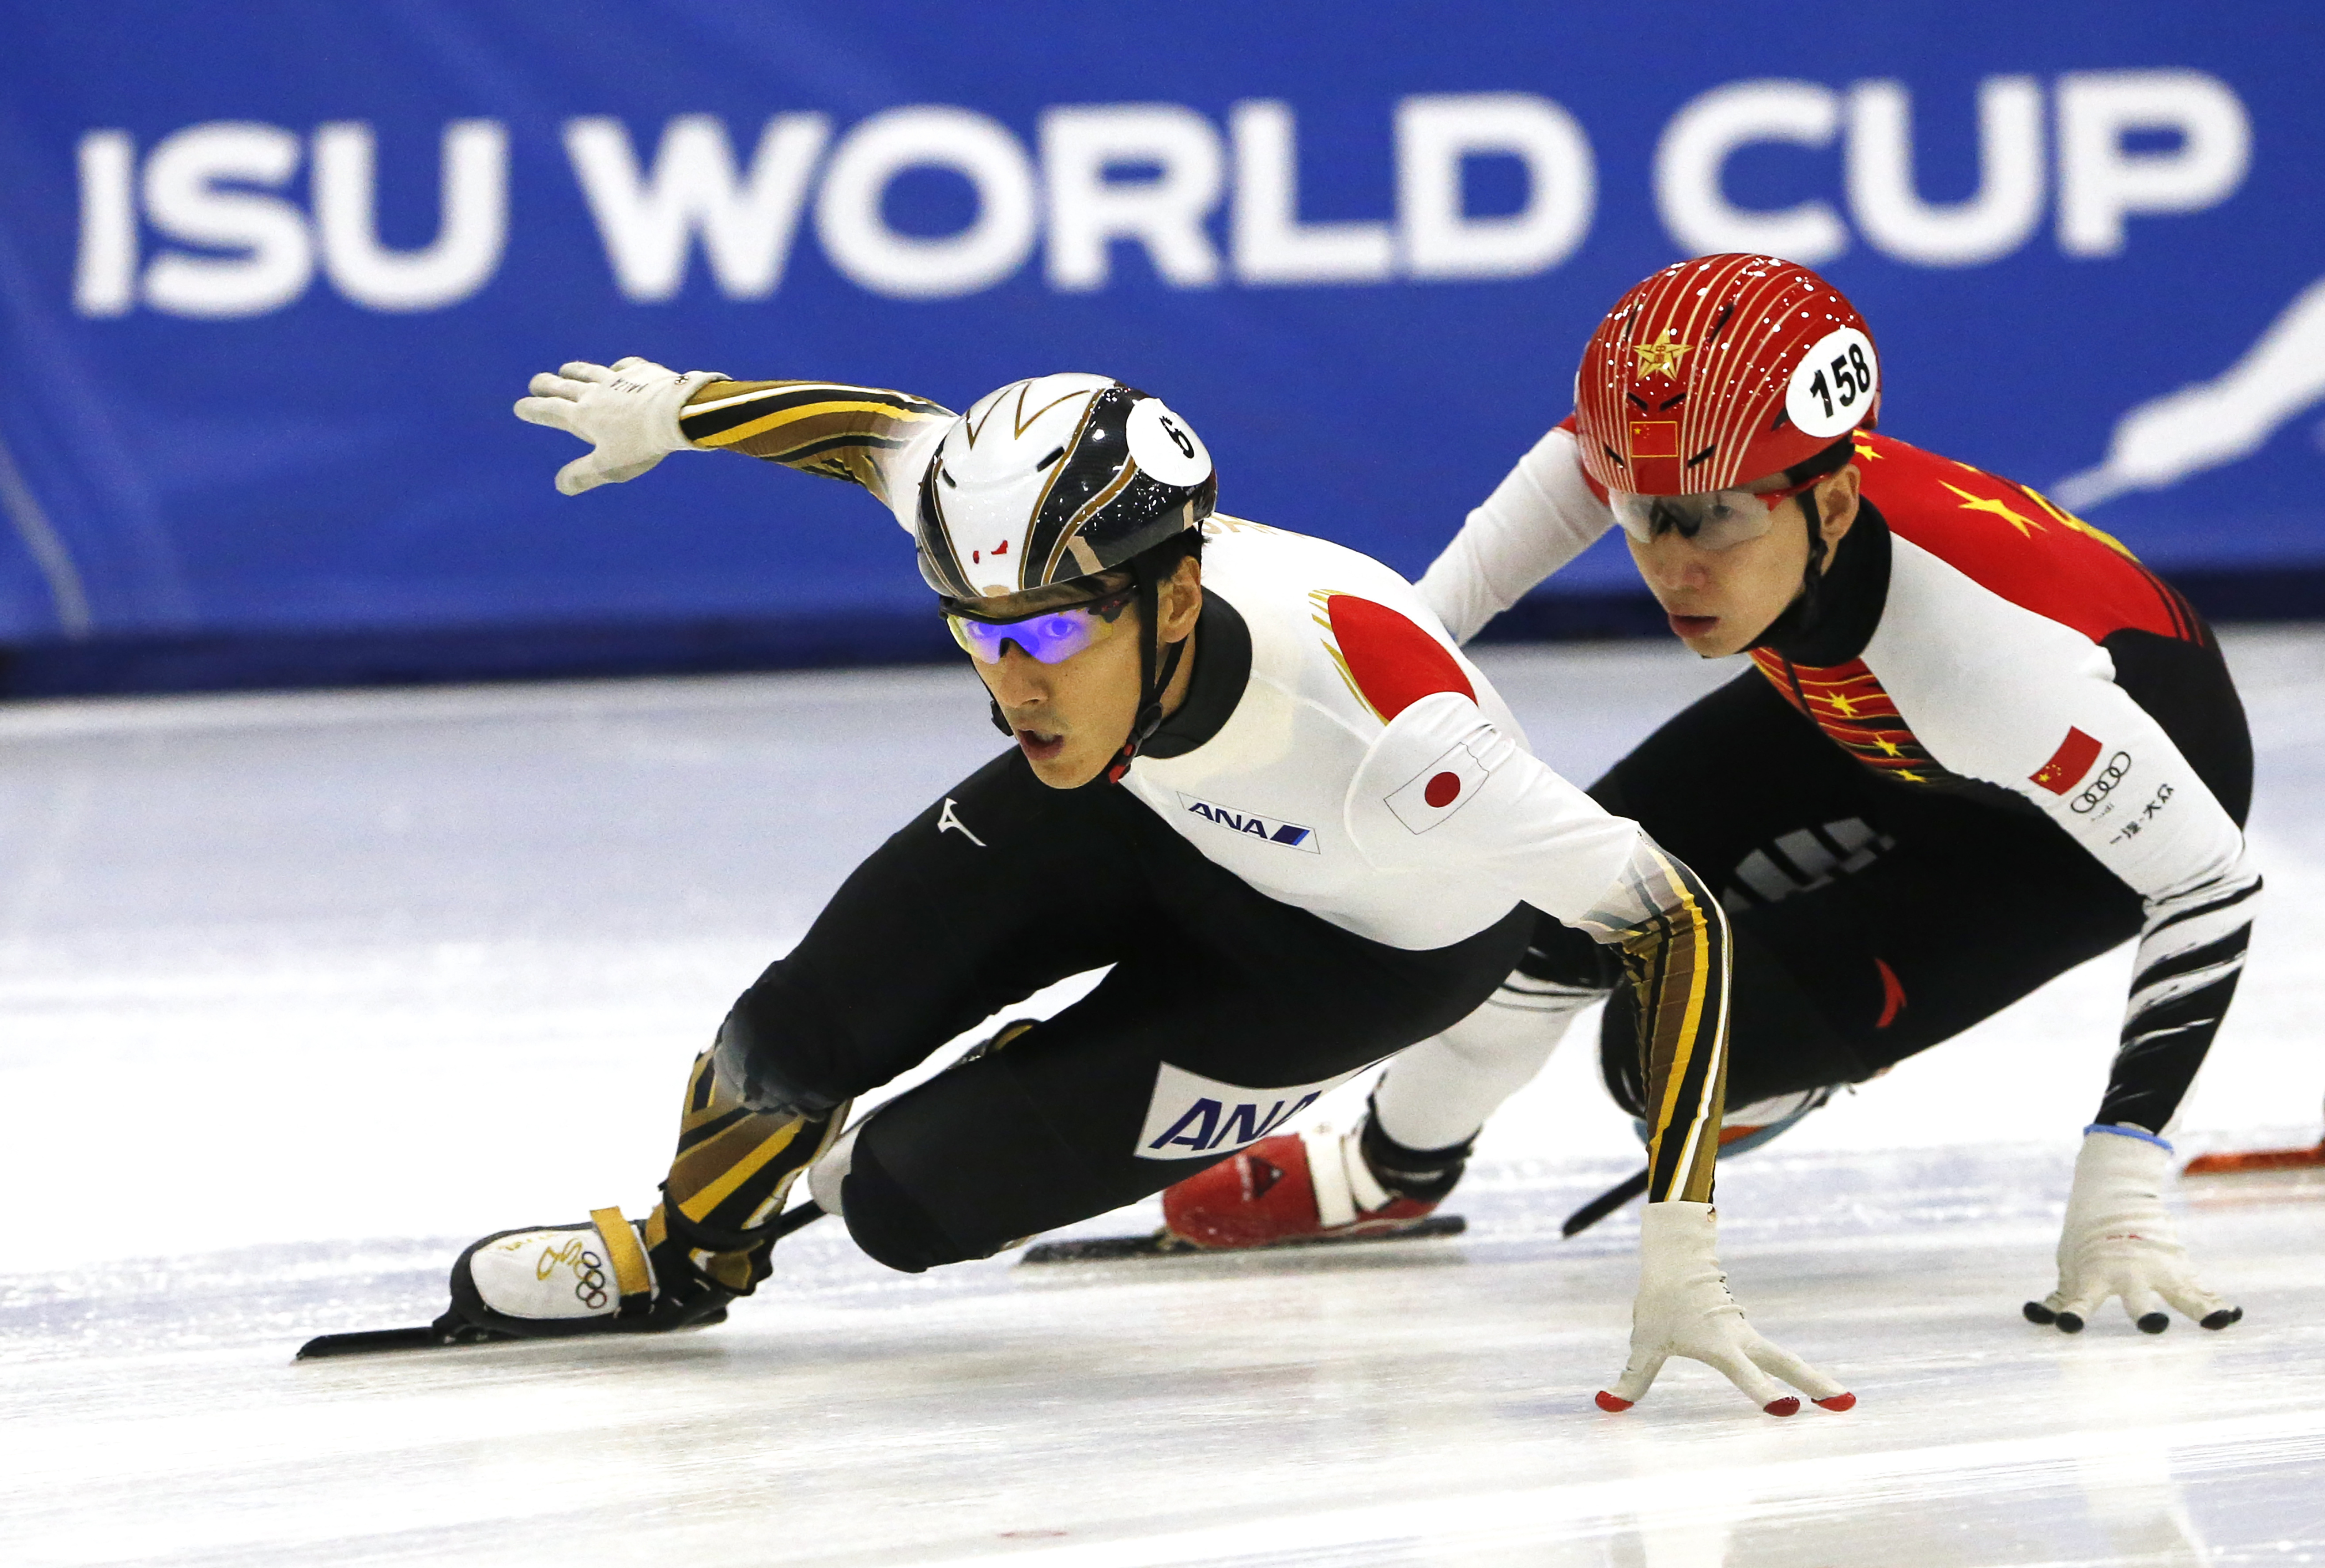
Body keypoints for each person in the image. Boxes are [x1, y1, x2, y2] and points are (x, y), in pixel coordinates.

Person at [429, 356, 1854, 1416]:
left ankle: (1160, 1125)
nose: (1013, 681)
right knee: (791, 1037)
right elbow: (878, 435)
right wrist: (681, 409)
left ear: (1174, 595)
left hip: (1351, 953)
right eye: (974, 635)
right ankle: (686, 1255)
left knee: (905, 1201)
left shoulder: (1400, 730)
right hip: (1135, 799)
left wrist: (1685, 1250)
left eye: (1052, 629)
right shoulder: (1024, 579)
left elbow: (1673, 920)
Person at [1162, 254, 2257, 1342]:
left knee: (1656, 1059)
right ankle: (1392, 1169)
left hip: (2064, 839)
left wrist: (2123, 1189)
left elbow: (2212, 886)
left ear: (1832, 498)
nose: (1671, 565)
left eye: (1716, 519)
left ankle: (1775, 1071)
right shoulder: (1672, 453)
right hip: (1856, 714)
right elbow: (1435, 616)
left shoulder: (1991, 668)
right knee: (1556, 911)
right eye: (1641, 514)